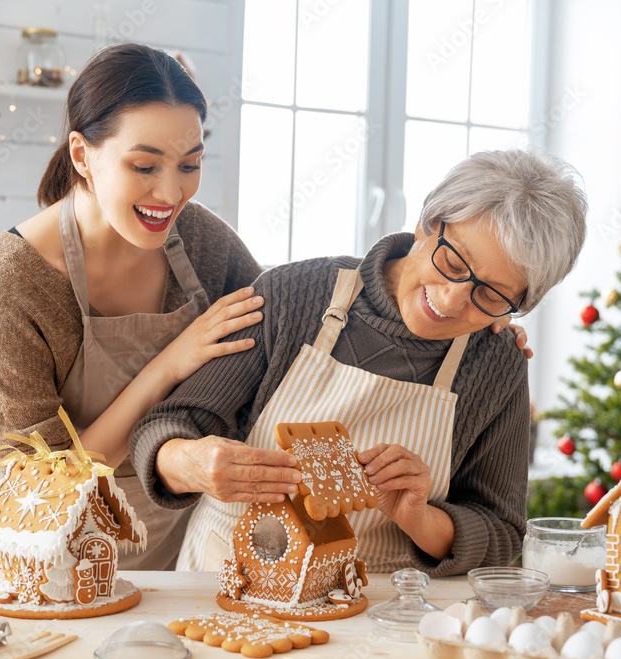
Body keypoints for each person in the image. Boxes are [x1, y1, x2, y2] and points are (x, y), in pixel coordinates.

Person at [129, 148, 588, 575]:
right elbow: (166, 427)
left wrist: (420, 517)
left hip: (377, 615)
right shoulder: (293, 295)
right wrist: (191, 461)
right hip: (227, 579)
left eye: (490, 294)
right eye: (452, 262)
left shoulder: (495, 364)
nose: (450, 300)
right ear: (428, 223)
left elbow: (503, 534)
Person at [0, 43, 266, 571]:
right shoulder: (16, 278)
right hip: (55, 559)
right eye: (145, 165)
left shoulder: (202, 241)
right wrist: (169, 364)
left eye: (190, 164)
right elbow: (47, 478)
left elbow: (281, 334)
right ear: (82, 154)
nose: (171, 192)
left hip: (182, 550)